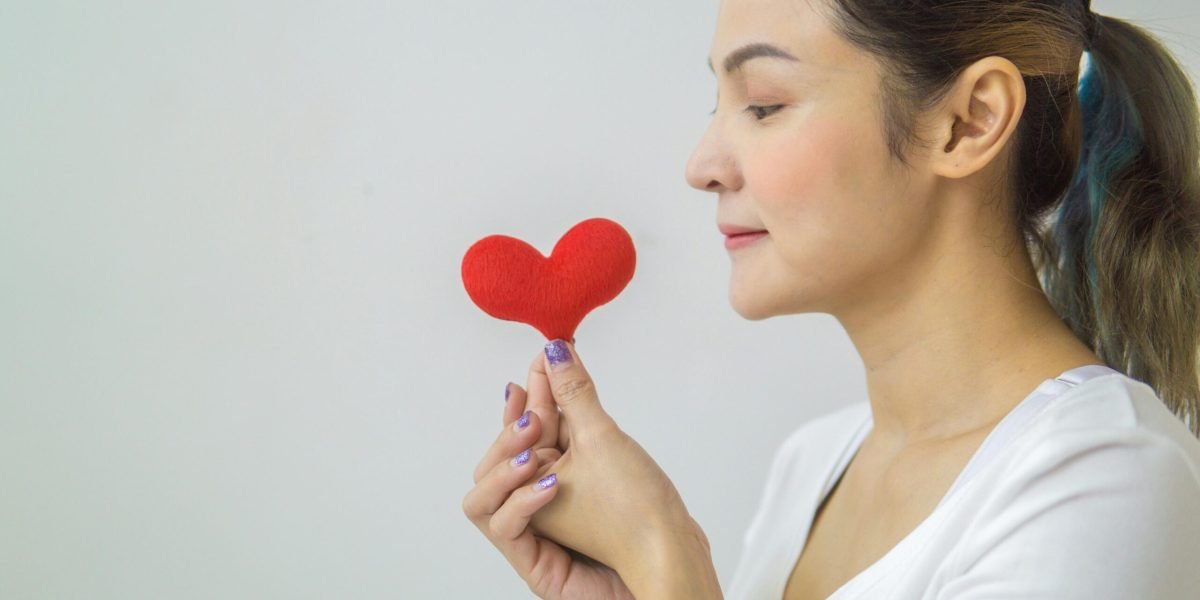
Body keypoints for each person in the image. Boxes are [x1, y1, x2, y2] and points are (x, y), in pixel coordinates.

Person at [461, 0, 1200, 597]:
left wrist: (664, 559)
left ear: (969, 121)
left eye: (763, 103)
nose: (701, 164)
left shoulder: (1105, 479)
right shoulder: (811, 464)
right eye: (715, 104)